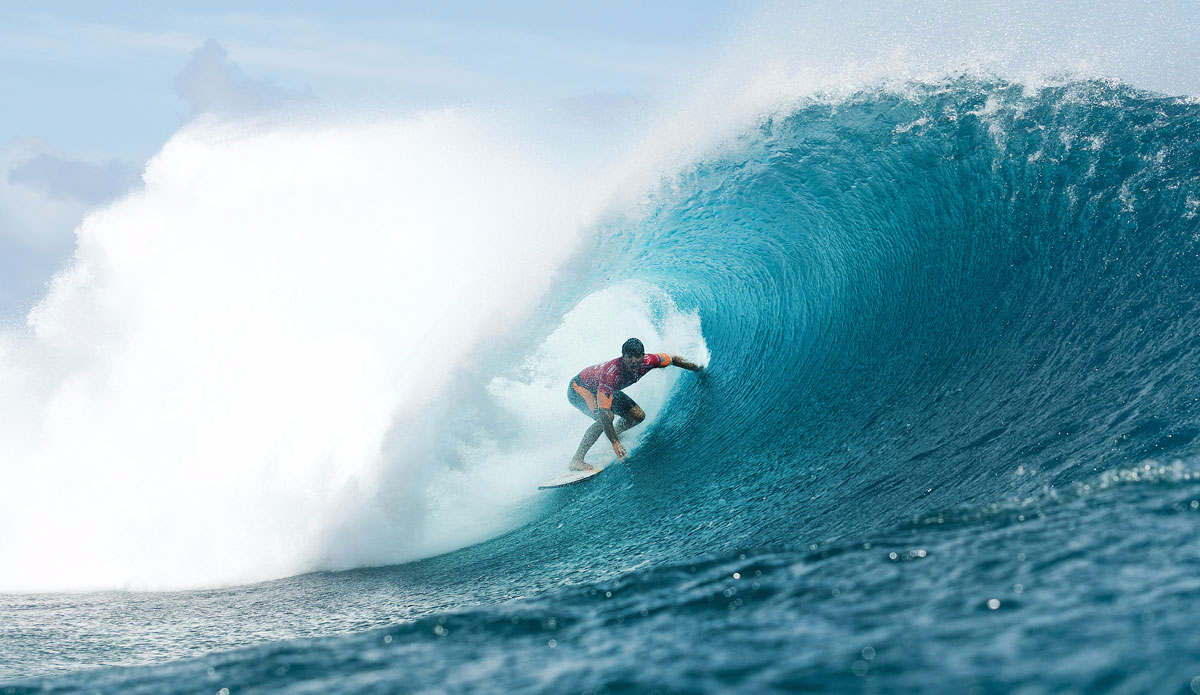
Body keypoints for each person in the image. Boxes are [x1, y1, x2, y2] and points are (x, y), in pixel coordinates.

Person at [566, 337, 703, 470]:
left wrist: (696, 367)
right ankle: (577, 460)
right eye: (629, 357)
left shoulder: (649, 361)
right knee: (604, 419)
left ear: (643, 356)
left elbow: (672, 359)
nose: (634, 361)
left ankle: (616, 433)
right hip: (580, 389)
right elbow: (604, 414)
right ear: (623, 356)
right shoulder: (612, 375)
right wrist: (616, 444)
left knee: (638, 416)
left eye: (637, 356)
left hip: (605, 388)